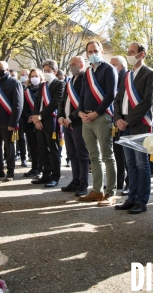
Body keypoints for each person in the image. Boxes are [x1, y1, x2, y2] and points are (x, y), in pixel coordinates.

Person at [114, 42, 153, 213]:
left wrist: (129, 120)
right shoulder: (126, 76)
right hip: (124, 124)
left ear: (142, 54)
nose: (129, 54)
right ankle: (131, 197)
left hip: (139, 124)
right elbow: (118, 99)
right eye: (128, 52)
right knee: (130, 164)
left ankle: (142, 200)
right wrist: (118, 119)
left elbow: (148, 101)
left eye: (132, 52)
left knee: (142, 164)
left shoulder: (151, 74)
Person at [76, 41, 118, 205]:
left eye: (95, 50)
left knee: (107, 156)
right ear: (86, 54)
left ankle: (110, 192)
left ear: (101, 51)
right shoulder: (87, 72)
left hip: (102, 118)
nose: (93, 53)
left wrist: (96, 113)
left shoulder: (109, 69)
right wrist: (80, 111)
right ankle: (97, 190)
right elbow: (82, 95)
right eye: (90, 51)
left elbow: (110, 94)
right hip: (86, 119)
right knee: (93, 156)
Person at [58, 56, 90, 196]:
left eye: (74, 64)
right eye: (71, 64)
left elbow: (83, 104)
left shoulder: (85, 79)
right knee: (71, 154)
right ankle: (75, 181)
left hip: (78, 123)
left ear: (82, 65)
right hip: (66, 123)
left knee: (82, 155)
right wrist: (60, 116)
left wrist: (70, 118)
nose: (72, 66)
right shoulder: (70, 81)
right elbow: (62, 101)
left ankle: (83, 184)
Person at [30, 60, 65, 187]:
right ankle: (45, 175)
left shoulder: (60, 84)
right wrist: (35, 117)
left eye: (48, 71)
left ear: (55, 72)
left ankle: (55, 177)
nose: (46, 73)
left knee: (54, 150)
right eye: (44, 70)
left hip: (52, 121)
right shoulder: (42, 85)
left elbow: (55, 103)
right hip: (39, 122)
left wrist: (40, 116)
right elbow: (37, 103)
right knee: (42, 150)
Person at [109, 55, 128, 192]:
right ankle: (119, 181)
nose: (111, 67)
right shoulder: (114, 78)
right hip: (116, 120)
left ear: (121, 65)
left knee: (126, 156)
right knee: (118, 153)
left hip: (126, 121)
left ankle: (129, 182)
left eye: (113, 64)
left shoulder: (126, 77)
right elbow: (115, 101)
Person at [23, 69, 43, 177]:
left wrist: (38, 118)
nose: (34, 78)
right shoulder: (26, 91)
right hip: (29, 123)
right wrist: (28, 117)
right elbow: (22, 107)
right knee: (32, 148)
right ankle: (34, 168)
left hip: (41, 122)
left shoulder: (44, 90)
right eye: (32, 76)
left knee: (41, 147)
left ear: (40, 77)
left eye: (36, 76)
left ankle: (41, 168)